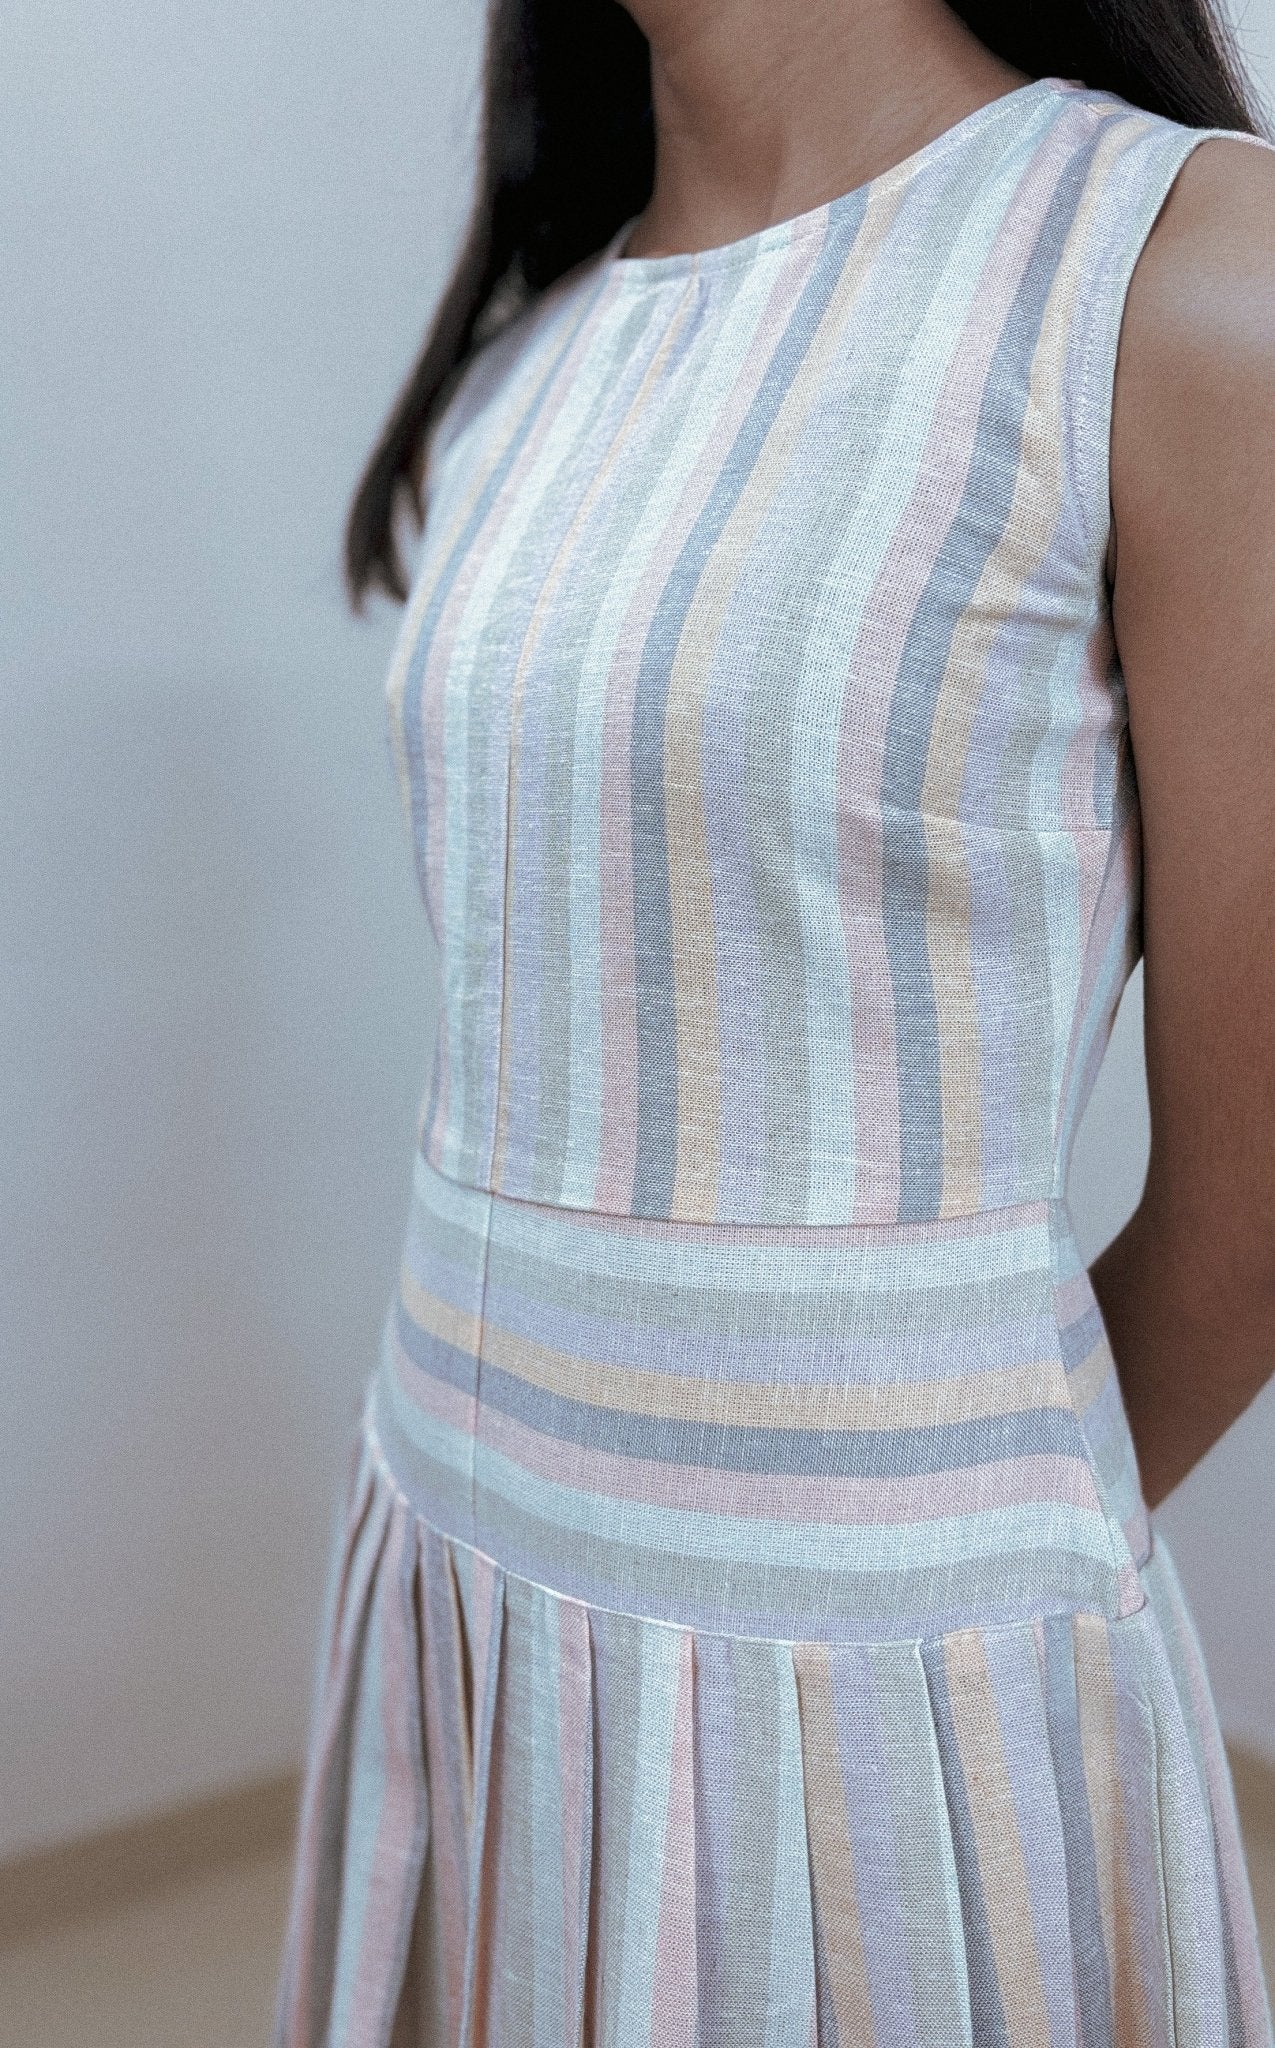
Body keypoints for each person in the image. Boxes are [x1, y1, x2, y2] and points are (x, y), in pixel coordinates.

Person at [275, 0, 1275, 2041]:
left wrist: (904, 1547)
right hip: (457, 1568)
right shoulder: (534, 353)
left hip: (883, 1686)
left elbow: (1254, 1206)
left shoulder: (1174, 273)